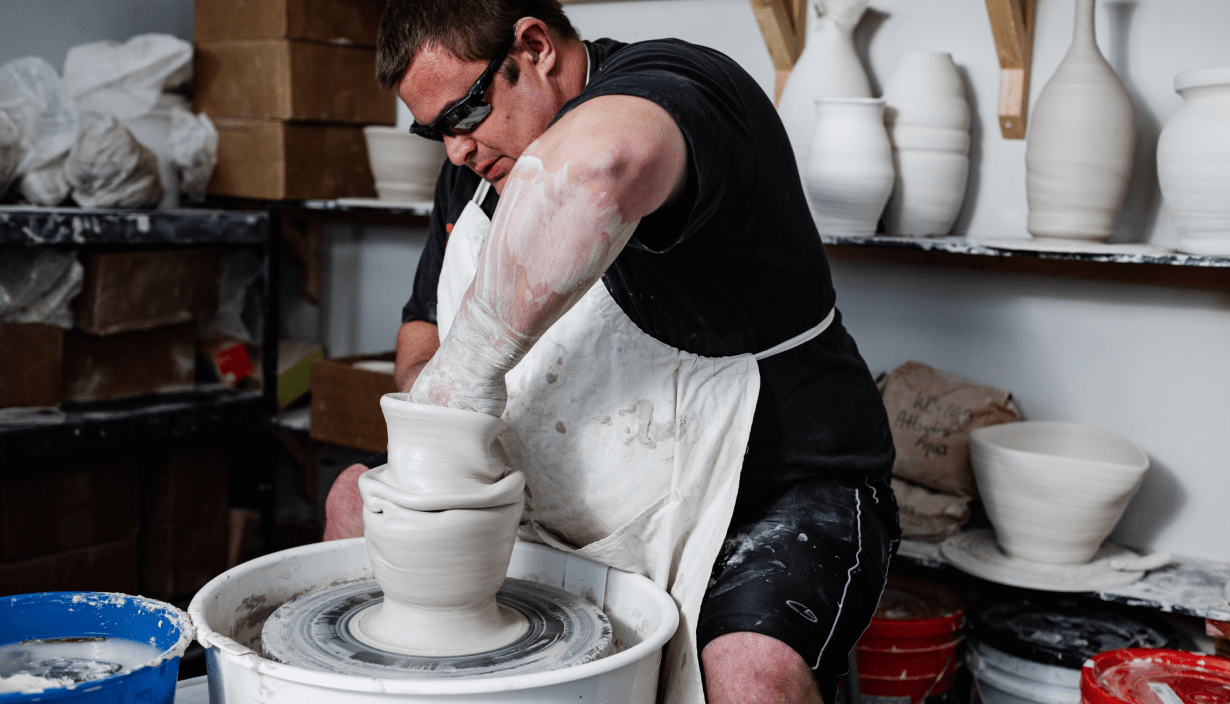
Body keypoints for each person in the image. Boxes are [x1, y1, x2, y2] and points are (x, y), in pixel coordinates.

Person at [324, 1, 900, 701]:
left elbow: (600, 162)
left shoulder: (678, 86)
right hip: (574, 492)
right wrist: (432, 410)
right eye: (432, 130)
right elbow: (422, 324)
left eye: (463, 116)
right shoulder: (475, 167)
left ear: (534, 46)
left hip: (775, 489)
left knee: (750, 673)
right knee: (354, 501)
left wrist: (467, 372)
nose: (455, 150)